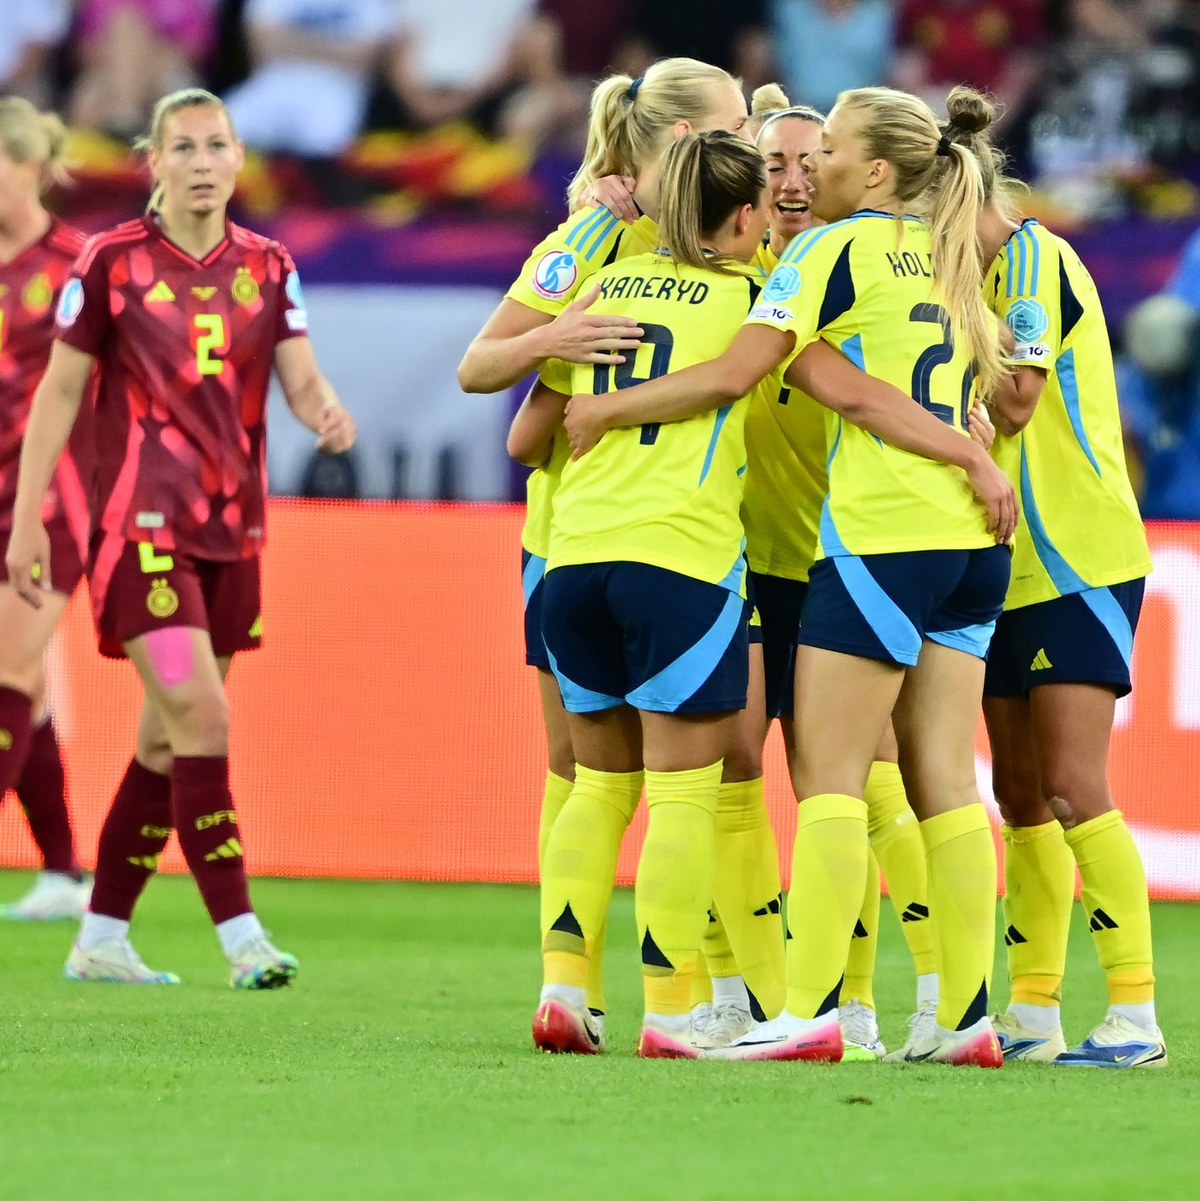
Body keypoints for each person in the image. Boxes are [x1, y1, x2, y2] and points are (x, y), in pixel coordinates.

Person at [562, 85, 1017, 1066]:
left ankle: (807, 1010)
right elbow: (851, 379)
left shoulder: (827, 250)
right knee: (942, 780)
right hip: (972, 548)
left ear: (879, 170)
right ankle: (966, 1019)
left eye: (833, 151)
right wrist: (975, 457)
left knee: (832, 784)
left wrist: (610, 408)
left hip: (878, 537)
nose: (810, 171)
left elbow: (740, 371)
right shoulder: (948, 249)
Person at [6, 88, 356, 988]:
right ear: (152, 162)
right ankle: (242, 936)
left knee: (167, 743)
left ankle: (101, 936)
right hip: (138, 531)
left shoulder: (271, 266)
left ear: (239, 160)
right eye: (183, 148)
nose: (202, 162)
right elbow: (57, 394)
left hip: (232, 532)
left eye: (217, 146)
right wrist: (28, 518)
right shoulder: (111, 261)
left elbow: (301, 378)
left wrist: (325, 414)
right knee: (200, 714)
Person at [461, 58, 750, 1049]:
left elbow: (525, 431)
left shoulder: (703, 231)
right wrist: (562, 335)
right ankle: (654, 994)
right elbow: (479, 367)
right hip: (598, 534)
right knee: (629, 774)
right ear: (682, 140)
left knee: (611, 779)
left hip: (592, 536)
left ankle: (617, 986)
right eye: (738, 122)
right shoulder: (594, 236)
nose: (750, 138)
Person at [520, 129, 773, 1058]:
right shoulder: (751, 294)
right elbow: (760, 374)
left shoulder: (604, 287)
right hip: (681, 559)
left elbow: (525, 434)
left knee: (595, 786)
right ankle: (670, 1010)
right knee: (682, 794)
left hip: (574, 556)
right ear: (744, 217)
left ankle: (563, 987)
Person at [957, 88, 1167, 1068]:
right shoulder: (982, 270)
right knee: (1022, 794)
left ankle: (1135, 1014)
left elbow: (1014, 399)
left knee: (1080, 784)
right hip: (1005, 568)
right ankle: (1033, 1009)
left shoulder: (1033, 258)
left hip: (1077, 557)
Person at [741, 86, 940, 1060]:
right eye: (772, 162)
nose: (790, 178)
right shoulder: (720, 263)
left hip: (837, 555)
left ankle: (857, 1000)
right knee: (733, 778)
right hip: (738, 566)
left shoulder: (838, 265)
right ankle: (731, 994)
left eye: (805, 159)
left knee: (863, 781)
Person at [0, 98, 92, 923]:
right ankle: (64, 871)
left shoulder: (74, 263)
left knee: (6, 668)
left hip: (53, 493)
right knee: (22, 689)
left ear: (29, 165)